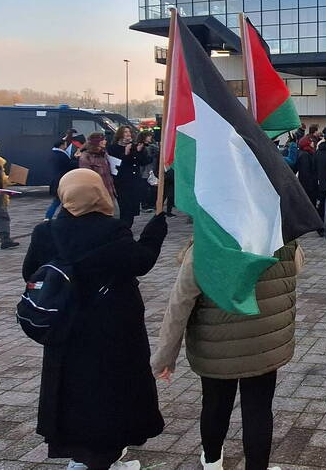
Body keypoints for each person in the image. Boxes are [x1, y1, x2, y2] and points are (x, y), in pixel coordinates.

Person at [24, 169, 167, 470]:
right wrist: (155, 232)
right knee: (110, 394)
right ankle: (103, 459)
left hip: (65, 328)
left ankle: (79, 458)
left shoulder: (45, 232)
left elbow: (31, 274)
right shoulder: (111, 230)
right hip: (111, 329)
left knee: (71, 392)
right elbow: (139, 262)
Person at [151, 236, 304, 470]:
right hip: (264, 342)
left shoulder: (208, 240)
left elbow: (180, 301)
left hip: (216, 344)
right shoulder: (279, 233)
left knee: (215, 403)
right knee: (259, 409)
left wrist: (165, 356)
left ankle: (212, 461)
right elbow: (297, 266)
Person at [108, 126, 151, 229]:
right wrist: (126, 153)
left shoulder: (134, 146)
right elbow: (118, 165)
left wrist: (139, 151)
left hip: (134, 182)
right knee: (124, 208)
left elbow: (143, 162)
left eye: (129, 132)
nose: (128, 134)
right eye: (125, 132)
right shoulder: (112, 148)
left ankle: (127, 227)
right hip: (122, 182)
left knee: (132, 209)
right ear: (120, 134)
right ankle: (123, 229)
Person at [78, 132, 116, 203]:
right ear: (96, 142)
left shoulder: (104, 154)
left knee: (115, 213)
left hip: (110, 192)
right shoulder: (86, 156)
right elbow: (87, 178)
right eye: (103, 140)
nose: (105, 141)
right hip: (98, 195)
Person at [45, 136, 74, 221]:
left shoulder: (53, 153)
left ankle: (48, 217)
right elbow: (69, 165)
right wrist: (76, 158)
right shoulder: (61, 155)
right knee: (62, 201)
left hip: (55, 180)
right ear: (61, 145)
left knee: (57, 202)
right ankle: (63, 218)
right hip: (62, 181)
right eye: (65, 144)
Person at [137, 131, 158, 212]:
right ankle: (145, 204)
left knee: (152, 188)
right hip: (144, 171)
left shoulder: (152, 146)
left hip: (151, 169)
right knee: (145, 189)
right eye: (148, 136)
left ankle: (151, 204)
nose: (150, 138)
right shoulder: (142, 146)